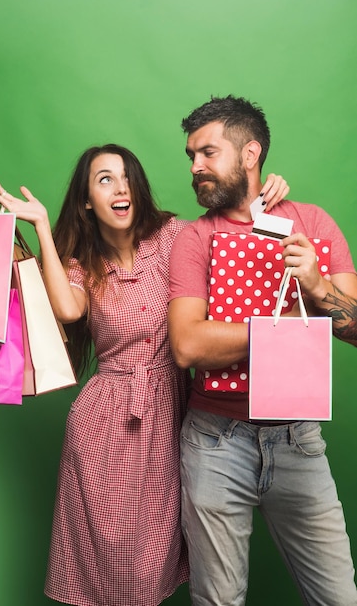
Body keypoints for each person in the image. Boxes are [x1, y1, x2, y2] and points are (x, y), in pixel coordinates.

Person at [0, 143, 288, 606]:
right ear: (87, 200)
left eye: (126, 177)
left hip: (168, 419)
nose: (120, 187)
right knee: (110, 557)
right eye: (104, 179)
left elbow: (230, 245)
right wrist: (42, 226)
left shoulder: (171, 237)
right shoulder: (81, 265)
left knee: (150, 562)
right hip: (104, 425)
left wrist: (262, 202)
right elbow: (67, 310)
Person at [167, 96, 357, 606]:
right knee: (218, 601)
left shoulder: (313, 223)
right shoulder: (195, 238)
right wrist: (288, 327)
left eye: (207, 152)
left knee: (339, 597)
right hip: (214, 441)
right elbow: (187, 344)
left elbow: (355, 326)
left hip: (298, 439)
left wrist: (317, 287)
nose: (194, 167)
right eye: (190, 155)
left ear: (250, 153)